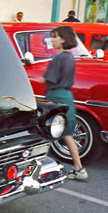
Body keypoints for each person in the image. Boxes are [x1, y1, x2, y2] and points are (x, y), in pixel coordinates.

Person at [39, 26, 88, 181]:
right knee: (67, 134)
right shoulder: (70, 57)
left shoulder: (58, 58)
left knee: (44, 131)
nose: (52, 40)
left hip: (55, 96)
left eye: (55, 37)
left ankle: (38, 167)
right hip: (67, 96)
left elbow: (45, 79)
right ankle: (79, 169)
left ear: (64, 39)